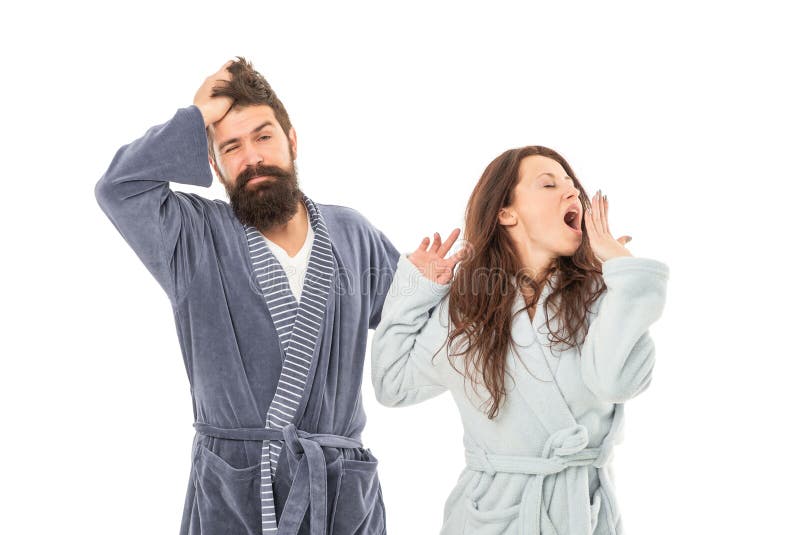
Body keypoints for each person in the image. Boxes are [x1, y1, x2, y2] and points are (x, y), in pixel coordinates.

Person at [94, 57, 398, 535]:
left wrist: (429, 284)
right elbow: (118, 188)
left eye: (263, 136)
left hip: (338, 493)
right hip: (234, 494)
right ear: (212, 164)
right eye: (231, 147)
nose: (252, 157)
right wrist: (195, 116)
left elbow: (417, 324)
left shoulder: (352, 234)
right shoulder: (193, 235)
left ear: (292, 141)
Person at [371, 146, 670, 534]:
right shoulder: (467, 309)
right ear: (506, 212)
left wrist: (625, 273)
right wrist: (414, 290)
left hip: (579, 515)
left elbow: (615, 383)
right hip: (487, 519)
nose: (572, 194)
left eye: (572, 187)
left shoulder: (604, 294)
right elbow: (391, 384)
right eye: (548, 184)